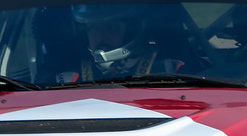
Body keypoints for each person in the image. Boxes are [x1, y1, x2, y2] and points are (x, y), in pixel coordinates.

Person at [56, 4, 184, 82]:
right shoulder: (68, 78)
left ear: (131, 33)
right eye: (92, 28)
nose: (99, 36)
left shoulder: (168, 71)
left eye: (110, 27)